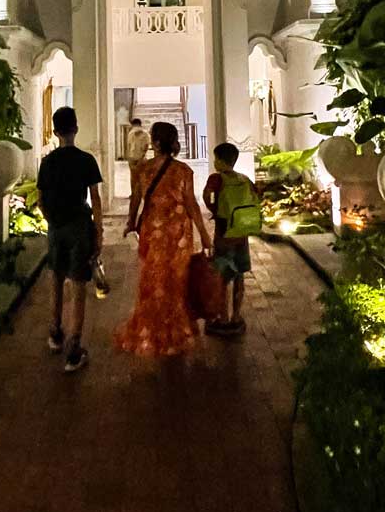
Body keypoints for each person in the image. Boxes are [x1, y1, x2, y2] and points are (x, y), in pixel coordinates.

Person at [115, 121, 213, 356]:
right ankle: (175, 330)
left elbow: (135, 199)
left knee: (153, 279)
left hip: (153, 231)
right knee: (177, 280)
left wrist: (131, 222)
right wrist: (204, 234)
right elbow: (191, 205)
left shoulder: (144, 169)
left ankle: (151, 330)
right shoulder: (183, 171)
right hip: (178, 233)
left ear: (157, 143)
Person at [37, 106, 104, 373]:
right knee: (78, 284)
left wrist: (52, 221)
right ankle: (74, 347)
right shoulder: (85, 160)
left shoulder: (47, 162)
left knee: (56, 278)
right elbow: (95, 199)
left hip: (56, 227)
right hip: (79, 226)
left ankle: (55, 333)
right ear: (76, 128)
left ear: (55, 132)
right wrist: (98, 232)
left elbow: (41, 201)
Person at [202, 142, 256, 336]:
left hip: (224, 233)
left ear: (221, 160)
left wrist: (214, 210)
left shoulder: (217, 179)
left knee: (223, 277)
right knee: (240, 275)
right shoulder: (244, 179)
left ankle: (223, 318)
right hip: (241, 233)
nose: (214, 162)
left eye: (216, 158)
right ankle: (237, 316)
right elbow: (256, 197)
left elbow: (206, 196)